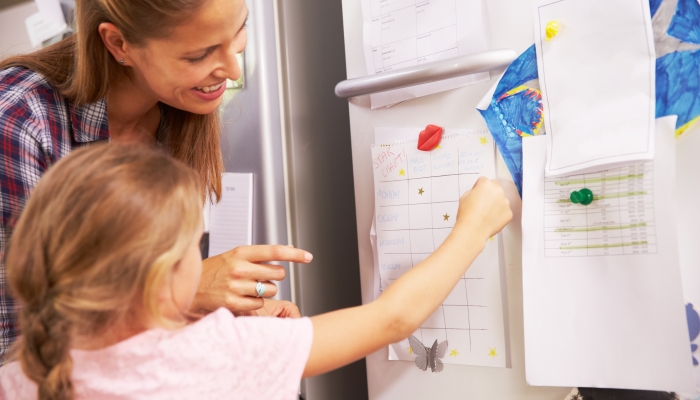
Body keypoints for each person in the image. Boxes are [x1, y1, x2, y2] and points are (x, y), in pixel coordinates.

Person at [0, 144, 511, 399]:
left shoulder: (22, 372)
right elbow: (393, 320)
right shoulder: (221, 353)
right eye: (193, 247)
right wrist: (474, 228)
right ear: (161, 278)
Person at [0, 0, 300, 362]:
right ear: (119, 44)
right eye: (199, 55)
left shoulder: (178, 106)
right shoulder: (18, 121)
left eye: (238, 31)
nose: (233, 70)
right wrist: (187, 288)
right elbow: (18, 347)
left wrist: (219, 318)